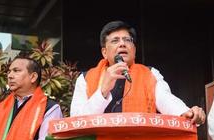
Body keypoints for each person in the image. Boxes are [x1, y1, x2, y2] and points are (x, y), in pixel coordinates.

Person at [70, 20, 205, 124]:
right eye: (115, 40)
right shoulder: (86, 78)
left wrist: (186, 113)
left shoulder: (150, 73)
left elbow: (166, 100)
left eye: (127, 40)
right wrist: (103, 91)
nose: (122, 44)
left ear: (134, 50)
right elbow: (76, 121)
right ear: (104, 52)